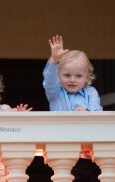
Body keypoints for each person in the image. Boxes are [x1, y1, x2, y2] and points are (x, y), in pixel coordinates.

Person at [43, 35, 102, 182]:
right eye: (67, 75)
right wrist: (54, 60)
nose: (72, 80)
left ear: (87, 77)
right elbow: (48, 81)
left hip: (88, 153)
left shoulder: (90, 92)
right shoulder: (55, 93)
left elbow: (97, 111)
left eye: (78, 75)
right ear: (58, 75)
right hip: (63, 148)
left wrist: (87, 112)